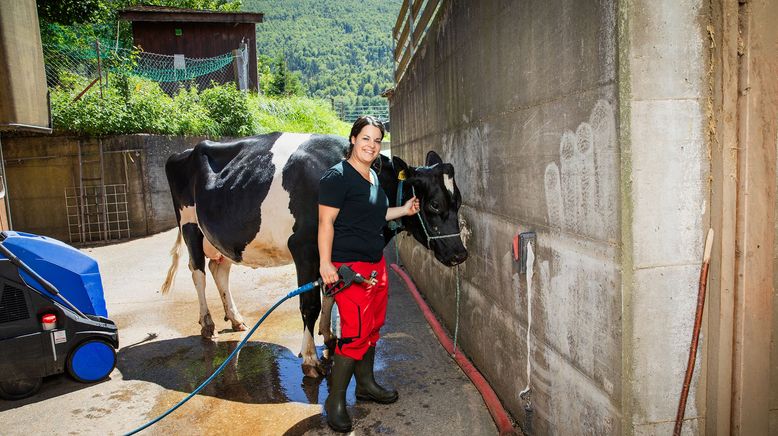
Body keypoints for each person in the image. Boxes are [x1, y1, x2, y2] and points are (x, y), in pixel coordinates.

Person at [318, 115, 420, 432]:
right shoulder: (336, 178)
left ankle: (366, 385)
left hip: (376, 266)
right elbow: (326, 224)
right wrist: (326, 265)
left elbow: (376, 214)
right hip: (350, 270)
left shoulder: (373, 177)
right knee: (354, 332)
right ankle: (335, 402)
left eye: (377, 140)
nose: (372, 145)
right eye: (366, 138)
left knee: (373, 326)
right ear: (352, 139)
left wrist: (403, 211)